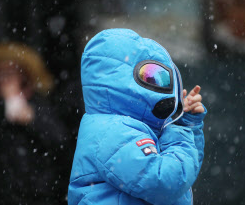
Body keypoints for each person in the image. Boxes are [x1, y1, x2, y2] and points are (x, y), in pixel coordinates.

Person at [68, 28, 207, 205]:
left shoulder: (125, 126)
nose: (161, 84)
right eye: (150, 75)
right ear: (120, 80)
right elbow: (166, 182)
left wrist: (186, 123)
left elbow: (185, 173)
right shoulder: (112, 131)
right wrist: (179, 130)